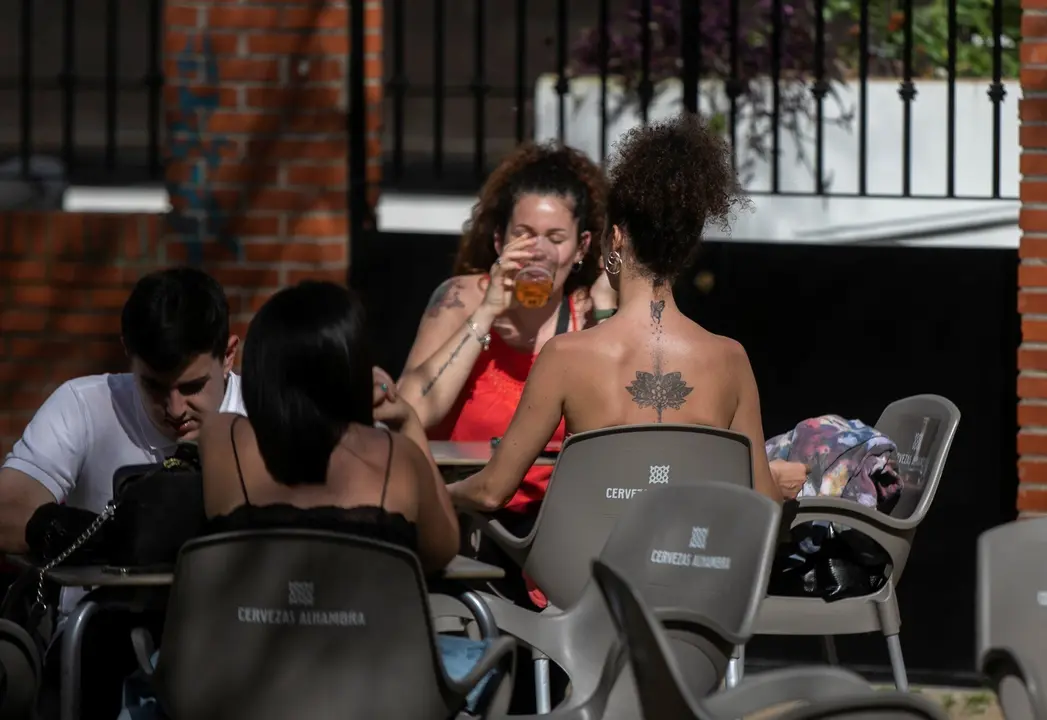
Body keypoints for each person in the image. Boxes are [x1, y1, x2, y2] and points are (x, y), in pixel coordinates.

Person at [118, 281, 494, 719]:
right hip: (372, 694)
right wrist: (407, 421)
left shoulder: (223, 439)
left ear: (258, 368)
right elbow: (441, 548)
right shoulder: (398, 458)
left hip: (246, 692)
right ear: (353, 368)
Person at [446, 114, 784, 512]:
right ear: (685, 248)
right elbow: (765, 504)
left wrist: (430, 496)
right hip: (690, 568)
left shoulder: (565, 357)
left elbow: (491, 491)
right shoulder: (731, 361)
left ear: (617, 238)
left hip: (580, 572)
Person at [395, 143, 614, 608]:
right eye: (524, 234)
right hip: (461, 527)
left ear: (581, 248)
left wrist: (608, 314)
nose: (538, 251)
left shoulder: (588, 318)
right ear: (499, 241)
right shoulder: (462, 298)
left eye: (556, 237)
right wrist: (489, 310)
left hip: (553, 538)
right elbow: (410, 408)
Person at [0, 267, 244, 556]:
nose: (175, 410)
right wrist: (111, 536)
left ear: (228, 357)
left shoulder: (265, 415)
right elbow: (7, 512)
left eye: (192, 387)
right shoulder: (84, 406)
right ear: (127, 351)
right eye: (154, 386)